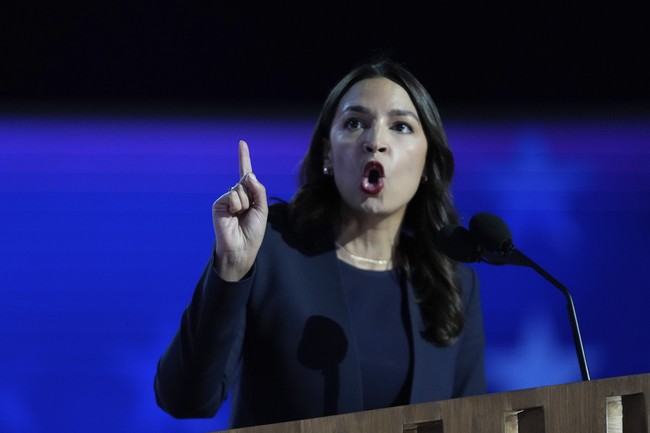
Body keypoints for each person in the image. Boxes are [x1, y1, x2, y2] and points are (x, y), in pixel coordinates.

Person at [154, 57, 487, 429]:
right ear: (328, 152)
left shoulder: (454, 284)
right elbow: (183, 399)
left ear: (427, 163)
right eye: (355, 123)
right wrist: (231, 267)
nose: (375, 142)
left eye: (400, 126)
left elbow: (472, 422)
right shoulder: (270, 246)